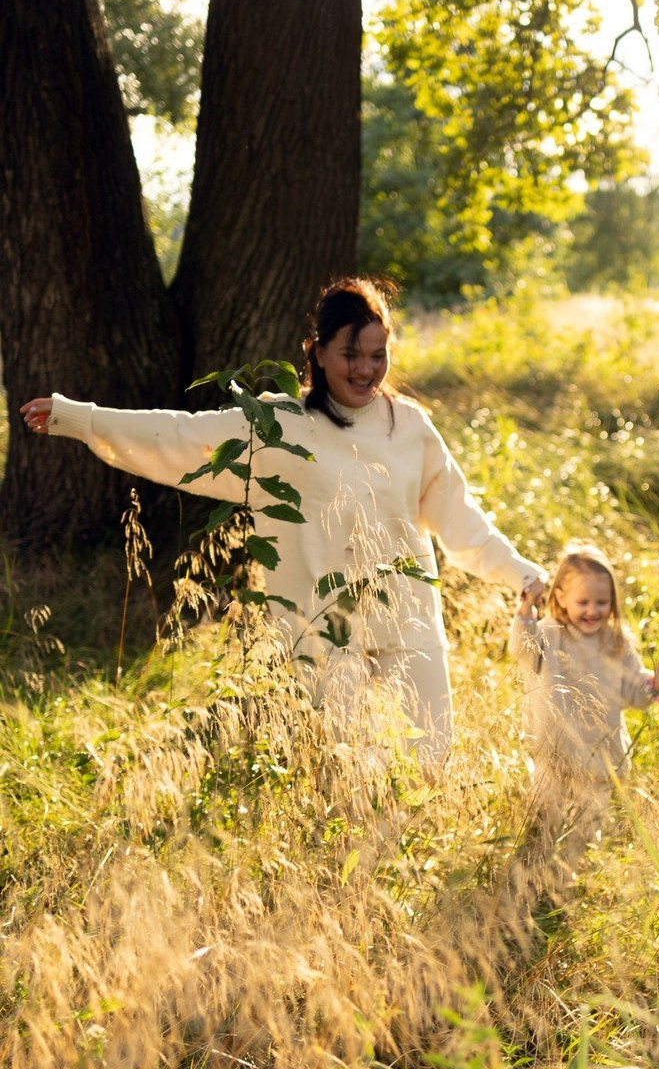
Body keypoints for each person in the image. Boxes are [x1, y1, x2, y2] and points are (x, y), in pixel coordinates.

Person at [21, 276, 545, 763]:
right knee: (348, 777)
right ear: (318, 353)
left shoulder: (409, 425)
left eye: (377, 355)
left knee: (431, 764)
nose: (365, 369)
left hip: (408, 622)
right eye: (350, 355)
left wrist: (522, 572)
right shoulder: (280, 427)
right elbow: (180, 436)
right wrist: (80, 418)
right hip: (321, 635)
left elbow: (461, 519)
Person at [509, 541, 659, 869]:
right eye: (583, 601)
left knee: (585, 830)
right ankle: (535, 870)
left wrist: (655, 683)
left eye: (601, 602)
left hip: (599, 755)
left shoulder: (615, 641)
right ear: (559, 598)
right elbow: (521, 650)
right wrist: (526, 609)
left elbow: (634, 692)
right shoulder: (550, 634)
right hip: (554, 750)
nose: (592, 610)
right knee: (543, 820)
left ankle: (574, 875)